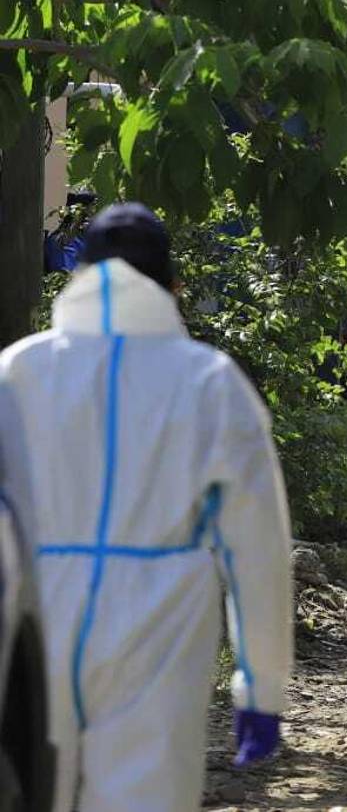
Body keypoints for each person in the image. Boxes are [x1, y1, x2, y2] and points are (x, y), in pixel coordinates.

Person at [0, 203, 294, 812]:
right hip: (161, 617)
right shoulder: (210, 381)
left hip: (33, 610)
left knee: (33, 790)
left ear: (80, 275)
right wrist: (261, 688)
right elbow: (256, 549)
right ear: (171, 285)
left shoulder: (16, 371)